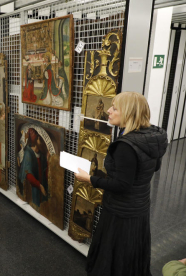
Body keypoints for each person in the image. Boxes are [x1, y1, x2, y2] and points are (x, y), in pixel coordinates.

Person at [75, 91, 168, 276]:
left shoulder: (126, 146)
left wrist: (90, 179)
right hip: (139, 208)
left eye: (115, 108)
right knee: (131, 257)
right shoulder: (151, 136)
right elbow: (155, 167)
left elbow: (122, 185)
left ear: (128, 113)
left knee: (116, 258)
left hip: (121, 212)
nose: (109, 111)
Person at [18, 128, 48, 208]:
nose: (41, 141)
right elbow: (28, 175)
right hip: (33, 189)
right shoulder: (28, 153)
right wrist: (40, 186)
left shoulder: (41, 155)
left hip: (41, 191)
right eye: (39, 139)